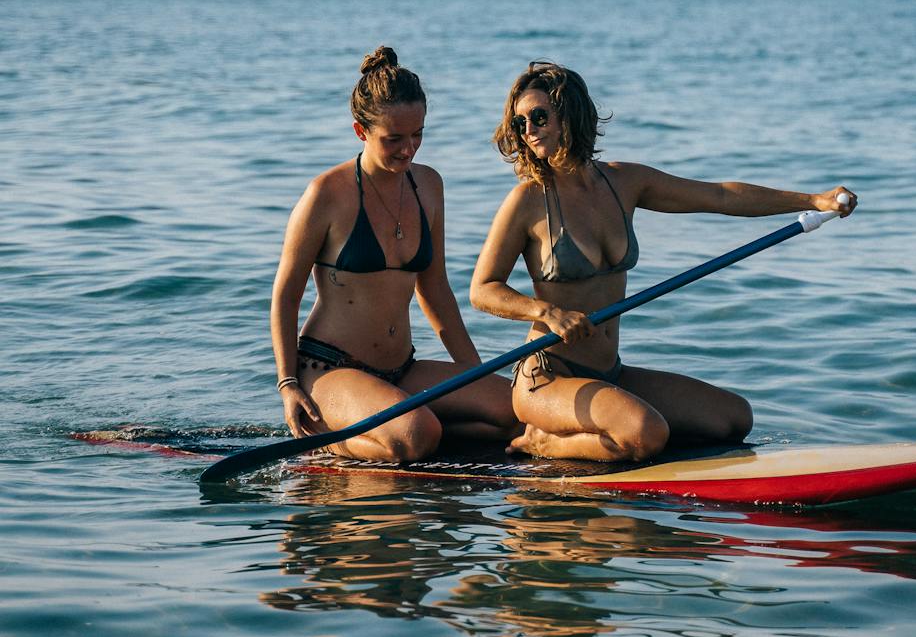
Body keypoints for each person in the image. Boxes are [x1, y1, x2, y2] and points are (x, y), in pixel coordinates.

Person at [470, 61, 856, 463]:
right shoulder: (527, 200)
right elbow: (482, 289)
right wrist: (546, 312)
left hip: (610, 371)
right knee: (645, 433)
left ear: (570, 114)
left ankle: (609, 431)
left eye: (538, 116)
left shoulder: (625, 182)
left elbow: (720, 196)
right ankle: (545, 441)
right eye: (519, 123)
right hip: (548, 376)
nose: (528, 130)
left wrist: (812, 201)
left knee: (734, 418)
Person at [271, 46, 515, 462]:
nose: (409, 148)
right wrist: (288, 384)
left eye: (418, 133)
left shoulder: (429, 186)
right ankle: (328, 435)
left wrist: (473, 374)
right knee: (418, 434)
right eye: (394, 139)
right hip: (329, 371)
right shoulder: (325, 196)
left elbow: (435, 291)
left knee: (513, 409)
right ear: (360, 131)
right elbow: (285, 295)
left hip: (403, 368)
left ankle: (404, 430)